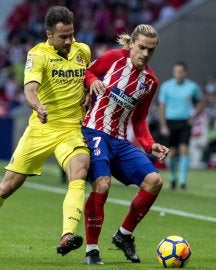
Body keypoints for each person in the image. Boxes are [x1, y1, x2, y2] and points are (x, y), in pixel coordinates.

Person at [0, 6, 91, 257]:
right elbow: (30, 89)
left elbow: (88, 79)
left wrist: (89, 92)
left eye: (72, 34)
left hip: (70, 129)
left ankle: (67, 234)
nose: (70, 41)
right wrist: (37, 105)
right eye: (63, 36)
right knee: (7, 187)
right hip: (41, 128)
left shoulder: (83, 51)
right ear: (49, 35)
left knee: (79, 171)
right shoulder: (38, 55)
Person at [82, 24, 169, 265]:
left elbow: (140, 118)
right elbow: (88, 73)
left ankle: (124, 235)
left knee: (154, 182)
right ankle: (91, 250)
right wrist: (91, 83)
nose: (144, 53)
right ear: (131, 44)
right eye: (141, 47)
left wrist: (150, 144)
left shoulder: (150, 81)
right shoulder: (113, 58)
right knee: (103, 183)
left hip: (119, 140)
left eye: (150, 50)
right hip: (93, 131)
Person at [158, 61, 203, 190]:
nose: (178, 74)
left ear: (185, 72)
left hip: (184, 122)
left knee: (184, 150)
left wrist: (194, 116)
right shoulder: (166, 86)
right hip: (170, 121)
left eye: (180, 71)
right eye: (176, 71)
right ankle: (173, 178)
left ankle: (183, 182)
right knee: (171, 153)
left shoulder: (192, 87)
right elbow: (162, 107)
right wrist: (163, 125)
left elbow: (201, 101)